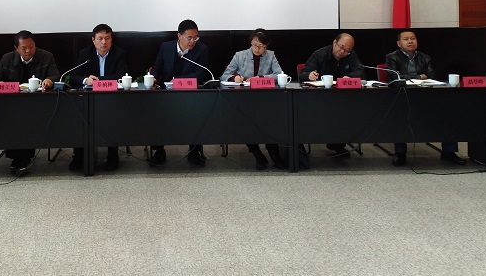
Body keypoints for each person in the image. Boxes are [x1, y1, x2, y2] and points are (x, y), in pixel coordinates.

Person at [385, 29, 467, 166]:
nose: (410, 41)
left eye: (413, 38)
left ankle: (449, 152)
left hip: (424, 95)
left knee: (448, 112)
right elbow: (394, 77)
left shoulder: (425, 57)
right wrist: (418, 76)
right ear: (399, 43)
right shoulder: (392, 57)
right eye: (406, 39)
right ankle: (400, 153)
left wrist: (412, 77)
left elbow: (432, 77)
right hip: (401, 96)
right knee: (399, 115)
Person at [0, 30, 60, 174]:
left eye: (31, 46)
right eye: (24, 48)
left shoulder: (46, 56)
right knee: (14, 119)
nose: (28, 50)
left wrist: (49, 80)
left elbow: (55, 75)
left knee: (27, 119)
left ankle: (21, 159)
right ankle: (19, 158)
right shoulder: (7, 58)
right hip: (14, 104)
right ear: (16, 48)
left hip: (39, 104)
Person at [220, 28, 287, 170]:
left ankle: (274, 152)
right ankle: (257, 153)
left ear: (266, 46)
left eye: (261, 46)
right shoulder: (239, 55)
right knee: (244, 119)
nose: (257, 49)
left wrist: (261, 77)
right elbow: (224, 76)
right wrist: (234, 78)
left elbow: (279, 74)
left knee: (273, 120)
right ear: (251, 42)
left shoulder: (271, 55)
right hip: (245, 99)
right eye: (255, 45)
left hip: (266, 99)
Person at [148, 19, 211, 167]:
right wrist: (154, 77)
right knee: (155, 112)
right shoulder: (166, 47)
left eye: (195, 37)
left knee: (198, 113)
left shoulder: (202, 49)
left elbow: (200, 74)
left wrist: (177, 80)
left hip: (190, 93)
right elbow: (157, 66)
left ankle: (194, 151)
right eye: (189, 38)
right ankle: (159, 151)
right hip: (166, 92)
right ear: (179, 36)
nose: (193, 41)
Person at [69, 24, 128, 171]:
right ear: (93, 40)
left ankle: (112, 155)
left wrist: (98, 81)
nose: (104, 42)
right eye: (100, 38)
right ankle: (79, 155)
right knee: (79, 116)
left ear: (111, 40)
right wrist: (86, 80)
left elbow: (121, 75)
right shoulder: (85, 54)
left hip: (112, 99)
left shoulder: (119, 53)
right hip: (90, 99)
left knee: (114, 117)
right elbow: (73, 77)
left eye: (107, 38)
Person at [299, 32, 364, 156]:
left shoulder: (352, 55)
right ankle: (332, 141)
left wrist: (350, 77)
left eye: (347, 50)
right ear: (335, 42)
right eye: (341, 47)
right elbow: (303, 74)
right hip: (320, 98)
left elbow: (360, 71)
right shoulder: (319, 54)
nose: (342, 52)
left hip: (344, 97)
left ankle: (337, 143)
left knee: (350, 111)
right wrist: (309, 75)